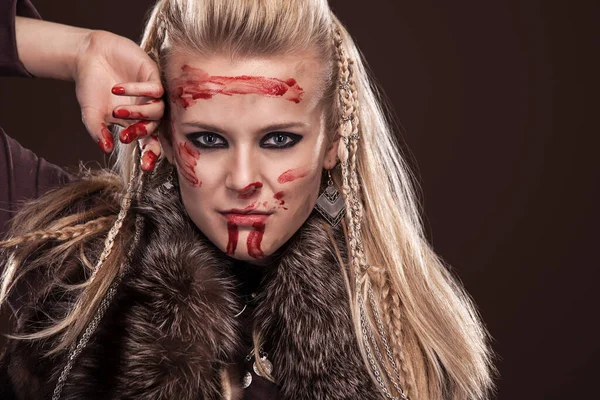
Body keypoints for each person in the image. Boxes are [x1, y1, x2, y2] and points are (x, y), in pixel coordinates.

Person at [0, 0, 497, 399]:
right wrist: (78, 49)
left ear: (334, 140)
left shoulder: (405, 340)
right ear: (167, 138)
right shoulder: (73, 263)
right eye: (209, 139)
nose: (243, 179)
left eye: (278, 139)